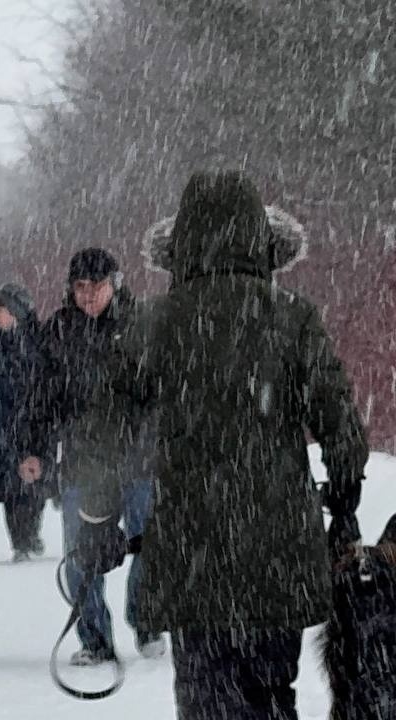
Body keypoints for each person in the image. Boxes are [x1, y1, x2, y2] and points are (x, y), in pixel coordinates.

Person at [73, 170, 367, 718]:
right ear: (263, 240)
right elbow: (343, 428)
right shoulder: (292, 318)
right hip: (277, 540)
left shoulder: (156, 322)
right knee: (272, 689)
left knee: (203, 689)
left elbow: (103, 429)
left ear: (180, 244)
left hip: (190, 542)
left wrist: (97, 516)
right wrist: (344, 504)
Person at [18, 247, 164, 665]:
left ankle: (147, 619)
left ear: (114, 284)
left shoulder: (141, 325)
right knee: (81, 555)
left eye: (96, 286)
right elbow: (40, 398)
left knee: (148, 544)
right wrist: (33, 449)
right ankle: (94, 638)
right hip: (83, 461)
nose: (88, 295)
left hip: (139, 459)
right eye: (80, 287)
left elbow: (161, 394)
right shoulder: (59, 331)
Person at [0, 283, 50, 562]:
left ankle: (30, 534)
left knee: (33, 486)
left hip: (32, 425)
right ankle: (20, 540)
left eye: (2, 310)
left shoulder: (36, 345)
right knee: (11, 490)